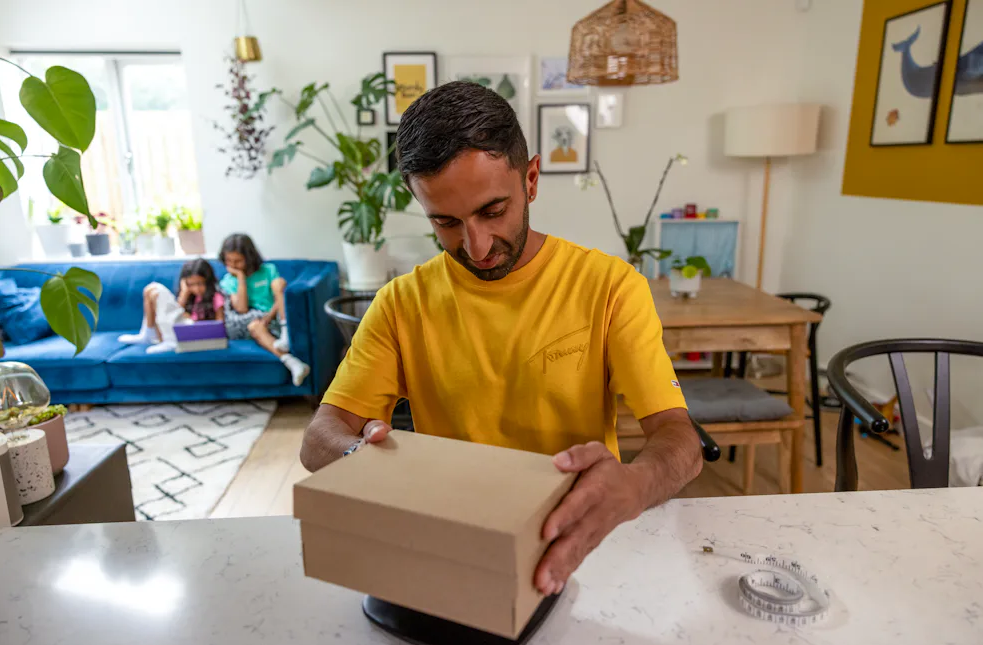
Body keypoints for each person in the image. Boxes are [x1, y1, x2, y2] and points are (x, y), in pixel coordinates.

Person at [300, 81, 702, 598]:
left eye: (493, 211)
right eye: (445, 222)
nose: (477, 245)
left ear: (531, 179)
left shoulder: (610, 287)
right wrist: (365, 458)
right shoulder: (402, 304)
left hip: (577, 539)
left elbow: (680, 439)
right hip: (453, 547)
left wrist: (635, 484)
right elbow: (319, 439)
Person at [218, 233, 310, 386]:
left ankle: (285, 334)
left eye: (238, 261)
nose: (232, 265)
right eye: (229, 261)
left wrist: (269, 316)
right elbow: (241, 309)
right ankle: (292, 363)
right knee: (255, 326)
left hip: (276, 315)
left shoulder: (268, 270)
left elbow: (279, 299)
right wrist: (240, 277)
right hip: (253, 322)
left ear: (249, 257)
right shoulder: (228, 281)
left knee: (279, 283)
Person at [119, 258, 225, 354]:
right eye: (191, 284)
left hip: (194, 335)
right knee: (150, 290)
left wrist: (193, 321)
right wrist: (185, 293)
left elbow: (219, 326)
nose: (196, 289)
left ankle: (167, 340)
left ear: (208, 281)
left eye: (200, 284)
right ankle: (148, 333)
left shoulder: (216, 297)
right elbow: (176, 313)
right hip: (178, 330)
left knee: (157, 290)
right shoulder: (190, 297)